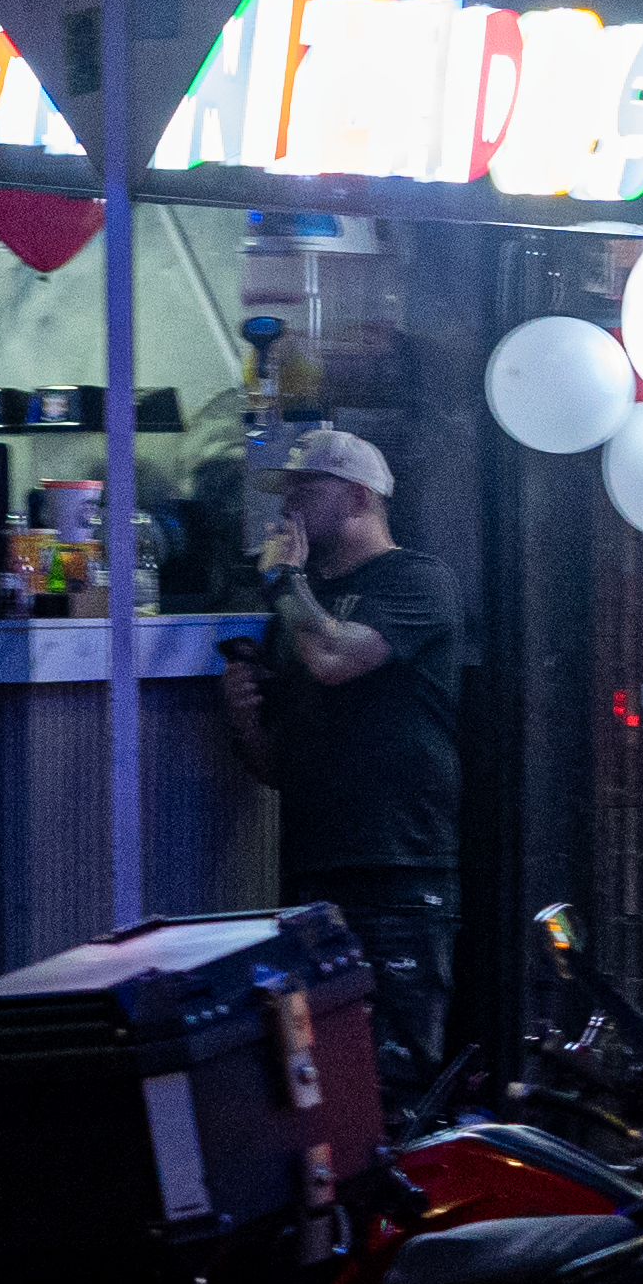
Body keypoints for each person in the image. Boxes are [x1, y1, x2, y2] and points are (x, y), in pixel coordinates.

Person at [220, 424, 464, 1093]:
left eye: (306, 487)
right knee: (316, 1085)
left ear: (358, 496)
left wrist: (289, 581)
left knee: (391, 1079)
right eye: (285, 488)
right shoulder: (295, 608)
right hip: (310, 872)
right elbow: (275, 765)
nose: (288, 503)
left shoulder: (417, 579)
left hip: (395, 867)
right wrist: (244, 719)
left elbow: (334, 656)